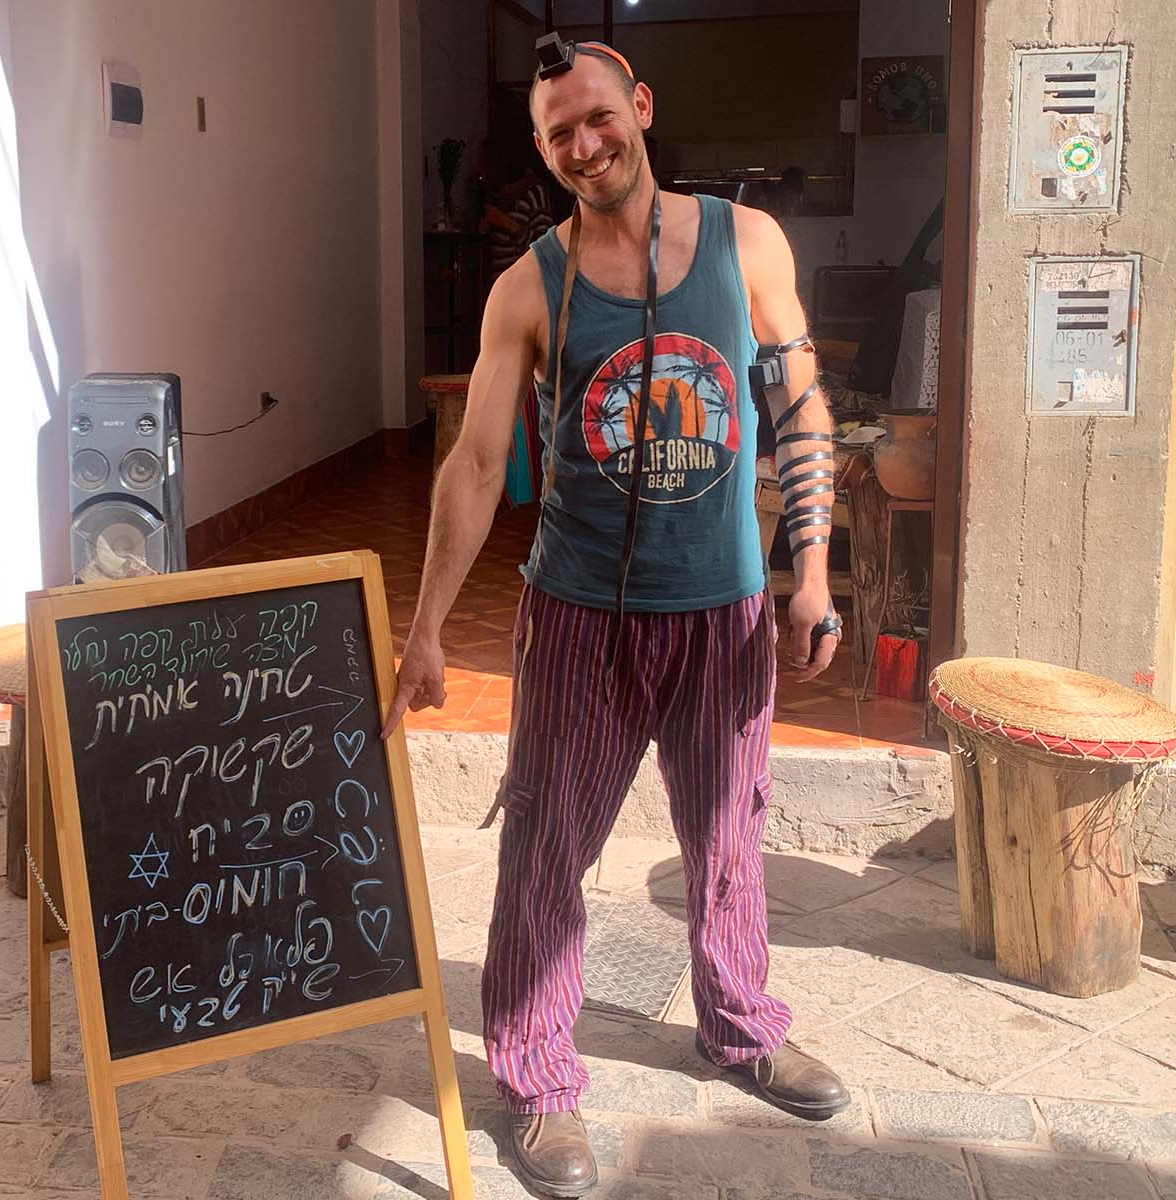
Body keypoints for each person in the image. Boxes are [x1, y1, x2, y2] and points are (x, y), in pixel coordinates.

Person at [380, 38, 849, 1198]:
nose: (585, 145)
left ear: (639, 107)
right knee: (545, 847)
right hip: (581, 616)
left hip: (723, 612)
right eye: (558, 135)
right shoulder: (530, 283)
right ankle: (538, 1081)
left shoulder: (748, 245)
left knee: (729, 835)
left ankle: (741, 1028)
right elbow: (478, 460)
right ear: (545, 153)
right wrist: (428, 627)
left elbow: (801, 405)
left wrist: (815, 570)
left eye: (597, 118)